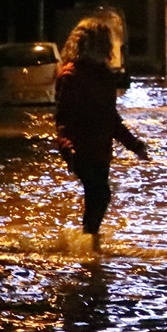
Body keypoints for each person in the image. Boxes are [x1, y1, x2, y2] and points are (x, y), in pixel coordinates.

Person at [55, 17, 150, 253]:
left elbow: (112, 118)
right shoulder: (70, 76)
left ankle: (87, 246)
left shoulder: (105, 76)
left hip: (100, 149)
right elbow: (63, 119)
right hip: (81, 148)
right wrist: (67, 147)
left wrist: (134, 144)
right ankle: (88, 247)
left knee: (98, 196)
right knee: (100, 193)